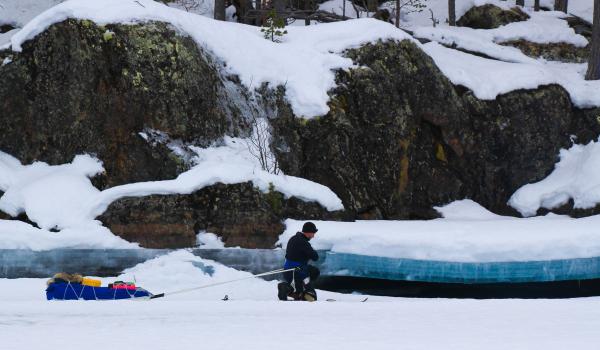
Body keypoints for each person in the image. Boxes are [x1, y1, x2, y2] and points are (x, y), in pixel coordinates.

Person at [277, 222, 320, 301]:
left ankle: (294, 290)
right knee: (312, 297)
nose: (313, 236)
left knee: (312, 272)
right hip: (299, 272)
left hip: (287, 271)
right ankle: (287, 288)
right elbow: (315, 257)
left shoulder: (293, 238)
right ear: (308, 232)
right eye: (313, 233)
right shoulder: (304, 242)